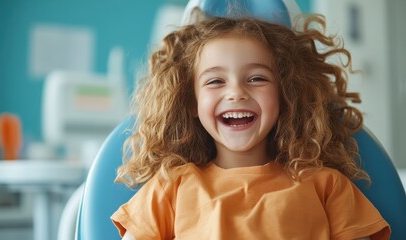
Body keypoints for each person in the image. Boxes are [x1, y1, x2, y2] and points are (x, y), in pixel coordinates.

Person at [111, 14, 391, 239]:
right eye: (215, 81)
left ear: (286, 96)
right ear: (190, 103)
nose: (237, 92)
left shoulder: (327, 187)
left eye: (257, 78)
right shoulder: (169, 188)